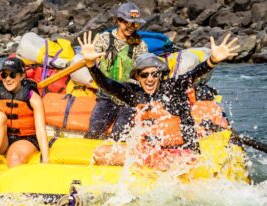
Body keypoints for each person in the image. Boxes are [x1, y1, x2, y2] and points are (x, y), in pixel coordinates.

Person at [78, 31, 240, 167]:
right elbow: (107, 84)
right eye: (144, 75)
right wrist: (91, 65)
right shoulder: (133, 93)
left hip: (181, 152)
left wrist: (212, 60)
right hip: (150, 154)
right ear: (138, 78)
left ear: (160, 75)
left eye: (155, 74)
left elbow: (195, 73)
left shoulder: (174, 87)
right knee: (100, 153)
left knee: (163, 162)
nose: (150, 79)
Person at [85, 1, 148, 141]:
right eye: (128, 23)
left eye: (135, 24)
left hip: (128, 97)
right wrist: (89, 58)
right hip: (106, 95)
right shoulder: (104, 39)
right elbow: (91, 63)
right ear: (118, 21)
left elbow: (143, 73)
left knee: (119, 139)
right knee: (93, 134)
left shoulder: (140, 45)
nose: (131, 28)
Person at [0, 57, 49, 175]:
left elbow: (41, 131)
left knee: (15, 158)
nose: (8, 79)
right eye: (4, 75)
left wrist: (46, 161)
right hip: (3, 139)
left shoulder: (33, 98)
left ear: (22, 76)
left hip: (25, 139)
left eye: (12, 75)